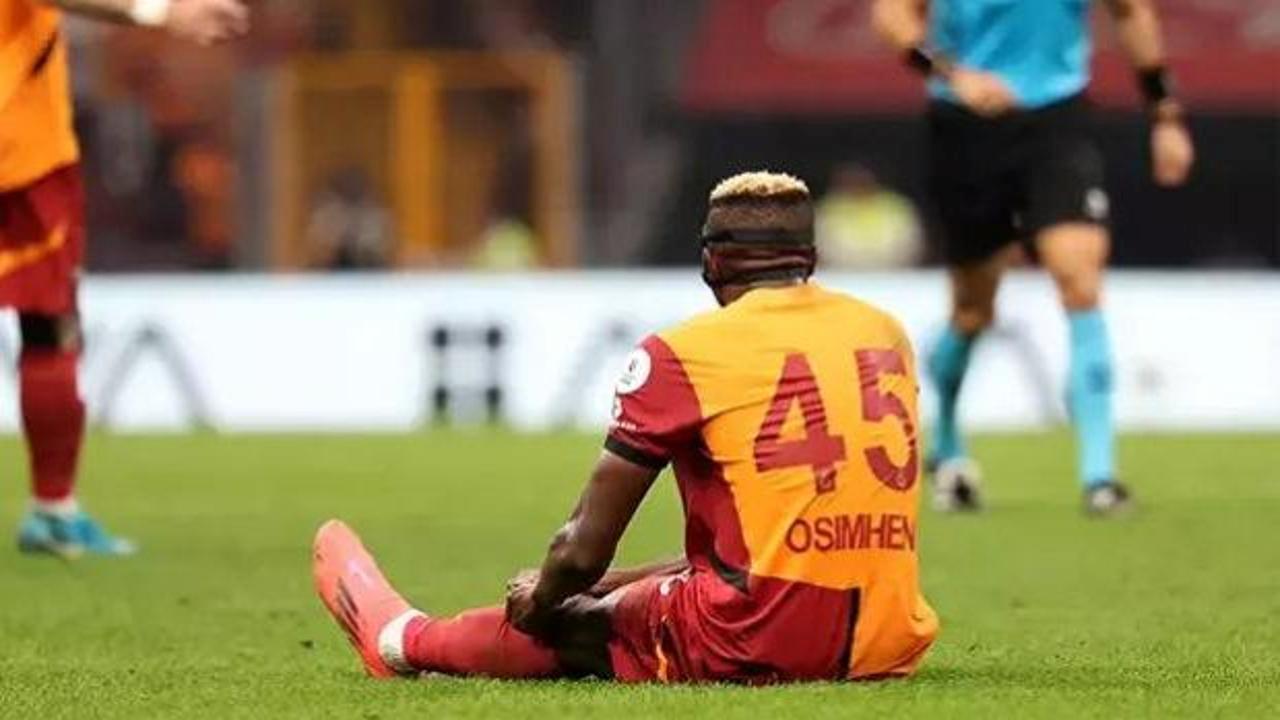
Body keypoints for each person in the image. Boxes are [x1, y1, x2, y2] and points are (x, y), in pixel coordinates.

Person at [313, 172, 938, 683]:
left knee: (579, 622)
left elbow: (581, 552)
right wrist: (622, 581)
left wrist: (544, 597)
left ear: (710, 262)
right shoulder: (884, 331)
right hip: (886, 637)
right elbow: (778, 542)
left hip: (768, 641)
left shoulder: (686, 353)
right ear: (811, 259)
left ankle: (403, 640)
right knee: (669, 584)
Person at [871, 0, 1195, 515]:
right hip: (964, 126)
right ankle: (947, 442)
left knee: (1080, 280)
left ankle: (1100, 477)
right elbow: (892, 15)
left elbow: (1131, 12)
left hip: (1056, 120)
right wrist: (951, 74)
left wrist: (1165, 114)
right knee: (973, 310)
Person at [1, 0, 248, 556]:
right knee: (49, 325)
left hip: (28, 141)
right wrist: (155, 11)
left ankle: (55, 510)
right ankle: (54, 509)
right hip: (20, 154)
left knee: (51, 326)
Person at [815, 163, 924, 269]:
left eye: (861, 180)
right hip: (840, 274)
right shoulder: (828, 208)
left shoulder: (897, 206)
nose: (857, 184)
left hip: (894, 272)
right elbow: (819, 245)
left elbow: (912, 243)